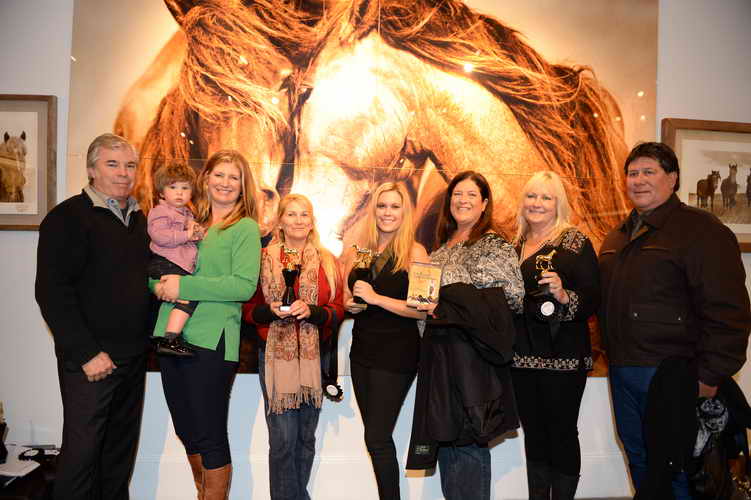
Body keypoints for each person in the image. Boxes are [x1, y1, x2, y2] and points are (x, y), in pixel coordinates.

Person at [598, 142, 751, 499]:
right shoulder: (617, 236)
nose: (638, 180)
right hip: (623, 370)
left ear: (673, 178)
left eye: (648, 172)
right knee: (640, 460)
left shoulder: (702, 231)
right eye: (632, 173)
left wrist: (710, 376)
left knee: (680, 468)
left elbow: (729, 310)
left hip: (673, 374)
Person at [35, 133, 152, 500]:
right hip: (91, 362)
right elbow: (52, 293)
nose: (123, 173)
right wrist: (87, 353)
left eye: (129, 165)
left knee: (118, 457)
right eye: (112, 164)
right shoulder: (66, 218)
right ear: (91, 169)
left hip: (132, 359)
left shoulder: (140, 220)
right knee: (81, 458)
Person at [407, 170, 525, 500]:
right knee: (446, 436)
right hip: (440, 358)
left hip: (474, 360)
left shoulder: (492, 245)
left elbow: (513, 297)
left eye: (472, 194)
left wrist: (451, 300)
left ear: (484, 203)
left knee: (470, 437)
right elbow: (426, 307)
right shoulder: (439, 251)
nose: (463, 200)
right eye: (457, 194)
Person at [153, 150, 261, 499]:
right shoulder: (185, 219)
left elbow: (243, 286)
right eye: (219, 174)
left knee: (209, 432)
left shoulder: (244, 228)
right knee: (186, 430)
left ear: (243, 186)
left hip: (212, 339)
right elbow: (157, 263)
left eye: (234, 177)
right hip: (170, 335)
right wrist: (156, 285)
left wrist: (183, 286)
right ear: (206, 178)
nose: (225, 183)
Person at [243, 193, 344, 500]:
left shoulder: (327, 261)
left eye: (304, 214)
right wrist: (270, 310)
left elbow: (338, 309)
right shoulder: (263, 258)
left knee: (306, 438)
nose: (298, 220)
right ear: (280, 221)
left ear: (312, 221)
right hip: (275, 356)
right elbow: (247, 309)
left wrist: (312, 311)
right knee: (283, 440)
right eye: (291, 214)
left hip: (316, 358)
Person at [511, 171, 600, 499]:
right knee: (534, 436)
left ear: (558, 203)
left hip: (563, 357)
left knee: (561, 433)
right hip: (521, 358)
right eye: (531, 196)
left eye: (546, 197)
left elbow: (593, 296)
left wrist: (564, 296)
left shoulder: (574, 242)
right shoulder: (515, 244)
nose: (537, 203)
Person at [343, 182, 428, 500]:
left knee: (377, 439)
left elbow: (423, 309)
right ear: (373, 210)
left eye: (394, 206)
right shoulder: (362, 251)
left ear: (405, 212)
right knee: (375, 439)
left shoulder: (416, 253)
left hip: (397, 355)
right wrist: (352, 305)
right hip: (361, 352)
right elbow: (351, 296)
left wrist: (376, 299)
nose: (387, 212)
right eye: (382, 206)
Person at [148, 163, 204, 356]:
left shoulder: (187, 213)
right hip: (165, 263)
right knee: (188, 297)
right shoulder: (160, 212)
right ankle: (169, 338)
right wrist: (186, 235)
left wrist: (197, 233)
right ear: (161, 192)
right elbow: (160, 236)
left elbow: (192, 237)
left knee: (186, 298)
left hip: (175, 263)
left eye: (185, 188)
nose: (179, 192)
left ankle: (171, 337)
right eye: (173, 187)